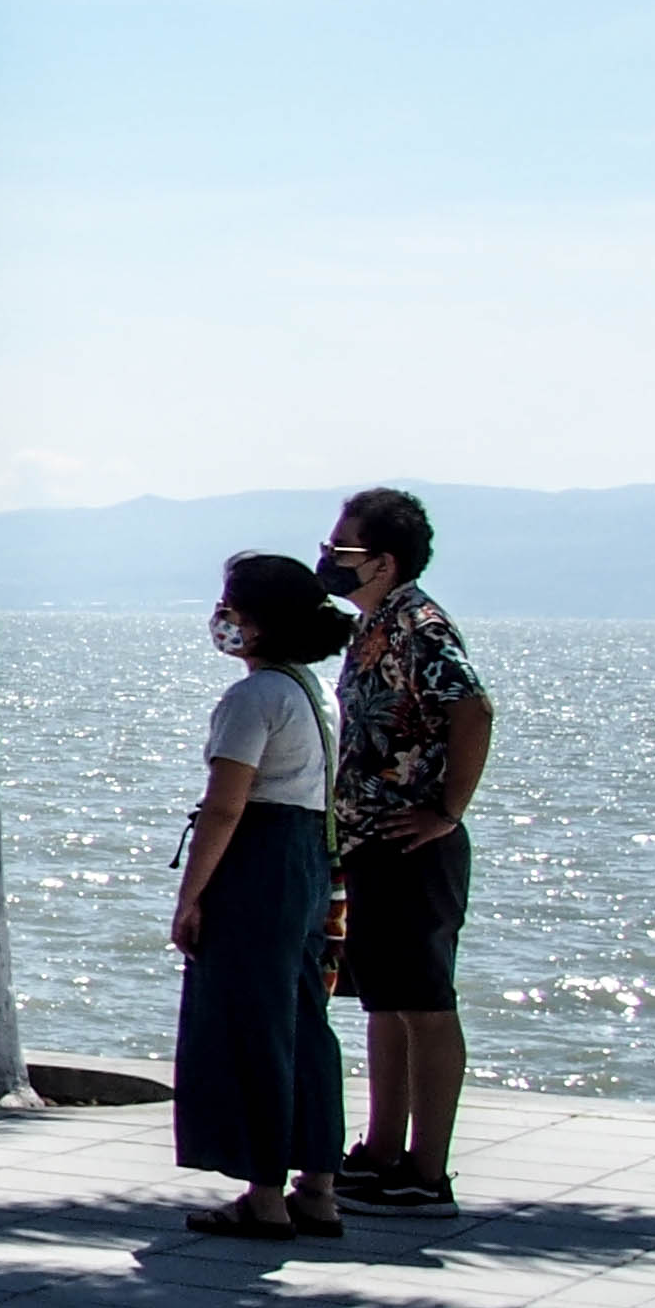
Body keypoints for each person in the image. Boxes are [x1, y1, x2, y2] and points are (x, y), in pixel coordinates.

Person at [169, 554, 354, 1240]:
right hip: (307, 859)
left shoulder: (253, 699)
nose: (222, 619)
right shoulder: (310, 691)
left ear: (255, 620)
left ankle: (265, 1192)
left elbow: (225, 805)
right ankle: (318, 1187)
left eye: (230, 606)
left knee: (252, 1024)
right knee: (305, 1021)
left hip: (260, 861)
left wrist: (191, 898)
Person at [325, 486, 496, 1211]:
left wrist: (446, 810)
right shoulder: (372, 627)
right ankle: (380, 1149)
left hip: (410, 844)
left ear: (384, 562)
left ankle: (428, 1170)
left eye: (344, 550)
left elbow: (472, 707)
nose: (329, 561)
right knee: (384, 1004)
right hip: (368, 840)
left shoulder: (418, 626)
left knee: (424, 1004)